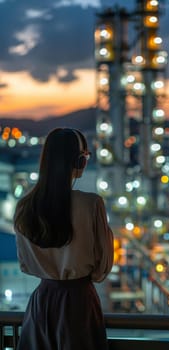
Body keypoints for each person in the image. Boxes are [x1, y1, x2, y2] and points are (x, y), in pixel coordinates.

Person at [14, 128, 114, 350]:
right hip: (79, 302)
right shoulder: (92, 204)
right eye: (85, 156)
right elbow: (102, 269)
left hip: (42, 303)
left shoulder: (24, 206)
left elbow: (25, 264)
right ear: (79, 161)